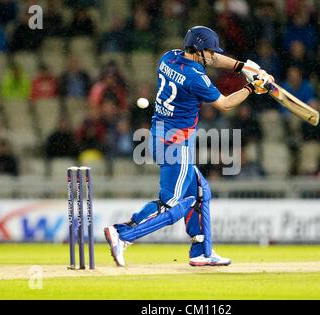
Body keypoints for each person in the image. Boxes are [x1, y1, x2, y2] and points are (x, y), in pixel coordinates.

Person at [103, 26, 273, 267]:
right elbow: (224, 104)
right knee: (172, 204)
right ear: (200, 51)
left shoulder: (168, 57)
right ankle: (122, 235)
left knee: (200, 193)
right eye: (210, 52)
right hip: (176, 143)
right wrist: (251, 87)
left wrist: (243, 67)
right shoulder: (196, 77)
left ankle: (201, 252)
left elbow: (213, 60)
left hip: (159, 135)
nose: (214, 57)